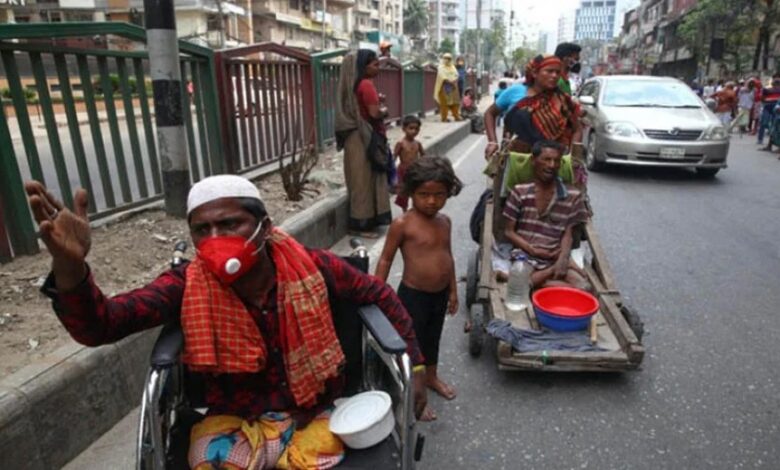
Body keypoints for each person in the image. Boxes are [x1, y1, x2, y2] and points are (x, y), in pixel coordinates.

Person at [25, 175, 428, 469]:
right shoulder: (186, 282)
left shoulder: (312, 266)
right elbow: (103, 325)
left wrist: (418, 364)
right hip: (235, 422)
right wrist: (69, 267)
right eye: (203, 230)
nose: (215, 237)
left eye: (230, 224)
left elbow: (378, 294)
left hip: (314, 413)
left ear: (263, 227)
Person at [375, 156, 463, 422]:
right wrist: (378, 292)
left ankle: (432, 377)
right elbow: (386, 258)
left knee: (433, 337)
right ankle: (417, 391)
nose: (432, 201)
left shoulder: (444, 222)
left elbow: (447, 256)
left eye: (439, 194)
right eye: (424, 194)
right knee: (413, 344)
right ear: (411, 192)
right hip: (413, 296)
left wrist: (453, 290)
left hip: (438, 295)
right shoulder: (403, 224)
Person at [501, 140, 590, 290]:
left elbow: (568, 234)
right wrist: (532, 250)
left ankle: (537, 282)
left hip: (554, 257)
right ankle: (545, 278)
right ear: (534, 161)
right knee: (523, 285)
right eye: (547, 159)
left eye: (556, 161)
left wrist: (562, 259)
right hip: (525, 256)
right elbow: (508, 231)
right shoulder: (520, 191)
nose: (551, 165)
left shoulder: (572, 196)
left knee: (585, 288)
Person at [335, 49, 392, 238]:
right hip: (364, 138)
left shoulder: (355, 86)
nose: (378, 68)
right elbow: (374, 113)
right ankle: (360, 227)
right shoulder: (366, 84)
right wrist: (384, 110)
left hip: (355, 138)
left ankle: (365, 222)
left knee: (359, 180)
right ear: (363, 66)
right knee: (364, 182)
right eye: (375, 64)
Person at [393, 115, 425, 211]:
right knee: (404, 193)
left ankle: (415, 209)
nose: (414, 131)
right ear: (404, 129)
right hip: (403, 171)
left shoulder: (418, 143)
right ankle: (405, 212)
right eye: (411, 128)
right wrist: (392, 173)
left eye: (417, 129)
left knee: (416, 190)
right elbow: (394, 157)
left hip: (415, 170)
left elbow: (424, 156)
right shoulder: (400, 143)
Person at [434, 53, 461, 122]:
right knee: (444, 103)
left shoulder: (453, 67)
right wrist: (449, 81)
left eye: (449, 58)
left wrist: (454, 81)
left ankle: (456, 116)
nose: (447, 60)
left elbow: (456, 75)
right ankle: (444, 118)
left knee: (455, 102)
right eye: (446, 58)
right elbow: (442, 76)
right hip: (444, 87)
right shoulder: (441, 67)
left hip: (453, 87)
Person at [758, 76, 780, 148]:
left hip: (772, 108)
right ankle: (763, 140)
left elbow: (762, 98)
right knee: (767, 124)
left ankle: (766, 142)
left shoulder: (767, 89)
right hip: (770, 107)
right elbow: (762, 98)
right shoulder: (767, 89)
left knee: (771, 125)